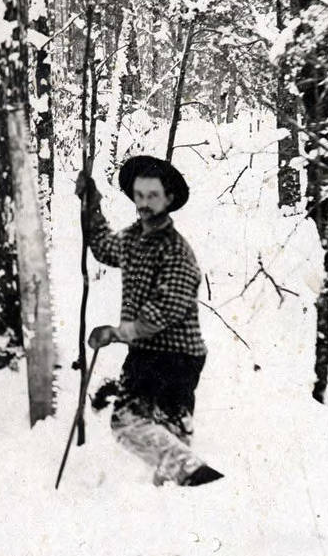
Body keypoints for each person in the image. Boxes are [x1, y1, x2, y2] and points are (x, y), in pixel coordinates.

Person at [74, 154, 222, 486]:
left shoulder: (176, 251)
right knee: (165, 440)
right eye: (139, 196)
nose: (144, 204)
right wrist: (90, 205)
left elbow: (163, 311)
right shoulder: (133, 238)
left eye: (152, 196)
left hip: (177, 357)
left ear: (169, 199)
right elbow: (103, 247)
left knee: (132, 426)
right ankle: (186, 491)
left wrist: (115, 332)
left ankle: (200, 486)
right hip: (147, 352)